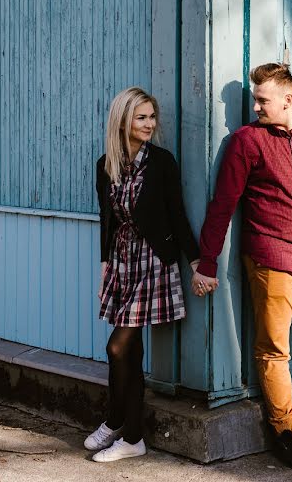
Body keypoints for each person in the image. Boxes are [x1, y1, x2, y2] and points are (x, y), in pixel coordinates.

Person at [192, 62, 292, 470]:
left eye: (263, 100)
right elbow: (223, 205)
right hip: (270, 256)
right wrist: (207, 262)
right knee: (274, 349)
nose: (256, 107)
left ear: (288, 99)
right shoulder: (246, 142)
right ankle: (284, 431)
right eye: (254, 99)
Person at [85, 87, 201, 462]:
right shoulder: (107, 164)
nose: (150, 124)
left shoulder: (162, 162)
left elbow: (177, 214)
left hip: (152, 261)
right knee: (128, 352)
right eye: (142, 117)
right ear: (123, 121)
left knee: (116, 346)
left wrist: (198, 261)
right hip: (122, 261)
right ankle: (124, 427)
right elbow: (107, 219)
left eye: (152, 117)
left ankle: (124, 428)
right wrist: (105, 262)